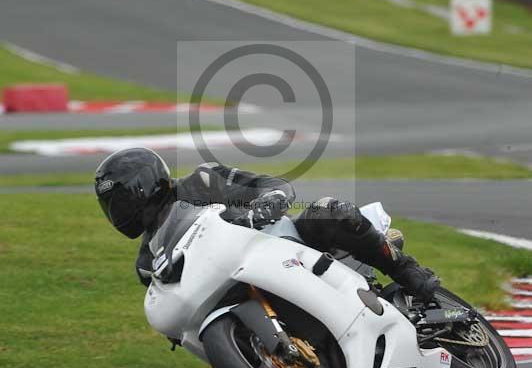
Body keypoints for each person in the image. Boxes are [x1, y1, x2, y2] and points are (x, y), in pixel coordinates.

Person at [94, 147, 439, 303]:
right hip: (238, 289)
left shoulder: (202, 181)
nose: (120, 213)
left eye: (123, 200)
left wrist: (262, 207)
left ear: (146, 183)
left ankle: (406, 270)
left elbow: (272, 186)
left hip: (289, 245)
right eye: (112, 207)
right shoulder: (147, 262)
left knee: (329, 210)